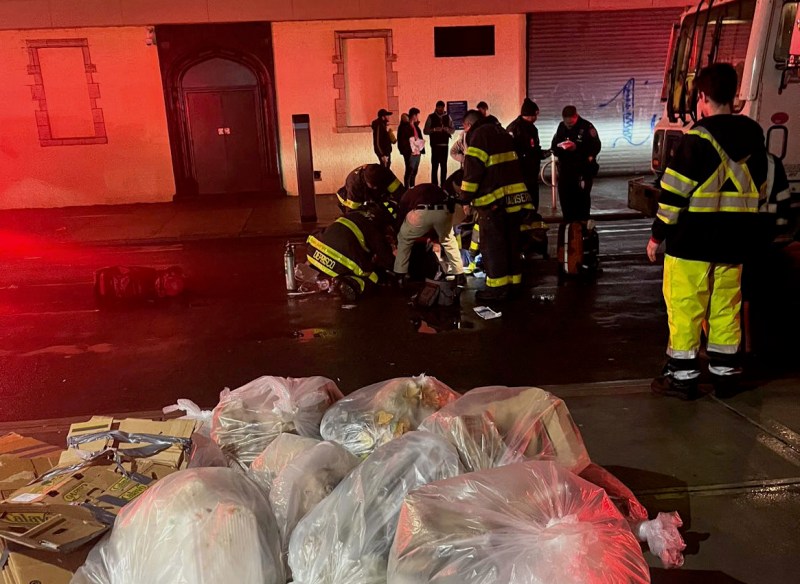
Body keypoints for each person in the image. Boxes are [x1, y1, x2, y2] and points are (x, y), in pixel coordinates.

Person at [646, 62, 776, 400]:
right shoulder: (753, 136)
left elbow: (673, 195)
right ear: (734, 96)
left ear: (702, 96)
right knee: (725, 308)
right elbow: (761, 191)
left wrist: (657, 235)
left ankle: (683, 377)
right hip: (735, 243)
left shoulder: (697, 139)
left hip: (690, 243)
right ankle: (725, 374)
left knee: (686, 308)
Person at [460, 110, 534, 301]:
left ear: (468, 125)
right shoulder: (501, 132)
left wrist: (464, 197)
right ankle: (514, 283)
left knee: (493, 247)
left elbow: (473, 171)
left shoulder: (478, 136)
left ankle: (496, 289)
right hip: (514, 201)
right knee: (511, 244)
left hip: (493, 202)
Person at [307, 206, 395, 302]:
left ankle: (317, 270)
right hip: (338, 260)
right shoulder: (373, 229)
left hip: (313, 251)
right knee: (372, 275)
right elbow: (387, 259)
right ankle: (351, 283)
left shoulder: (349, 216)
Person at [393, 184, 464, 283]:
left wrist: (398, 231)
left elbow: (402, 212)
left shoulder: (408, 194)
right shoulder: (440, 190)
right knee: (448, 240)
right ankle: (459, 274)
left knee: (404, 240)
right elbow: (451, 207)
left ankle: (400, 276)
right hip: (443, 211)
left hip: (421, 212)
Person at [551, 106, 601, 222]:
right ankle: (569, 225)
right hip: (566, 171)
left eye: (571, 123)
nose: (569, 126)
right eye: (567, 123)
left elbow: (595, 146)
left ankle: (582, 228)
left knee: (581, 202)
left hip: (582, 171)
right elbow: (555, 145)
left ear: (576, 116)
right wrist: (560, 148)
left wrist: (576, 149)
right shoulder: (561, 127)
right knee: (566, 200)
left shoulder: (587, 127)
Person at [507, 98, 545, 210]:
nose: (536, 118)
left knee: (533, 202)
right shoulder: (515, 129)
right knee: (524, 204)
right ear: (530, 114)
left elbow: (533, 149)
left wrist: (542, 154)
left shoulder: (531, 128)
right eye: (535, 114)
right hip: (520, 174)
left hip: (532, 173)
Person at [337, 163, 404, 213]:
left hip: (376, 197)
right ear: (366, 181)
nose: (375, 187)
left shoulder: (386, 174)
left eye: (378, 185)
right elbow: (352, 210)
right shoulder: (354, 184)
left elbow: (400, 193)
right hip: (351, 201)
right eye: (373, 186)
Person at [423, 100, 455, 186]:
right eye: (439, 107)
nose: (440, 109)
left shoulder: (448, 117)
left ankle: (443, 186)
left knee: (444, 167)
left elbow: (453, 130)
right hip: (435, 145)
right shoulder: (431, 117)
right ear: (436, 107)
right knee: (434, 167)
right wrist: (434, 129)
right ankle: (434, 186)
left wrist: (447, 129)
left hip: (444, 145)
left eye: (442, 107)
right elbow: (425, 131)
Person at [397, 108, 425, 188]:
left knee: (414, 172)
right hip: (410, 153)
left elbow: (418, 137)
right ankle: (407, 190)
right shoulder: (404, 126)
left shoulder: (415, 126)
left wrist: (421, 147)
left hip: (417, 152)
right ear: (413, 115)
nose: (418, 117)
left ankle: (412, 188)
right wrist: (408, 151)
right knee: (409, 171)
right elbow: (402, 140)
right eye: (417, 115)